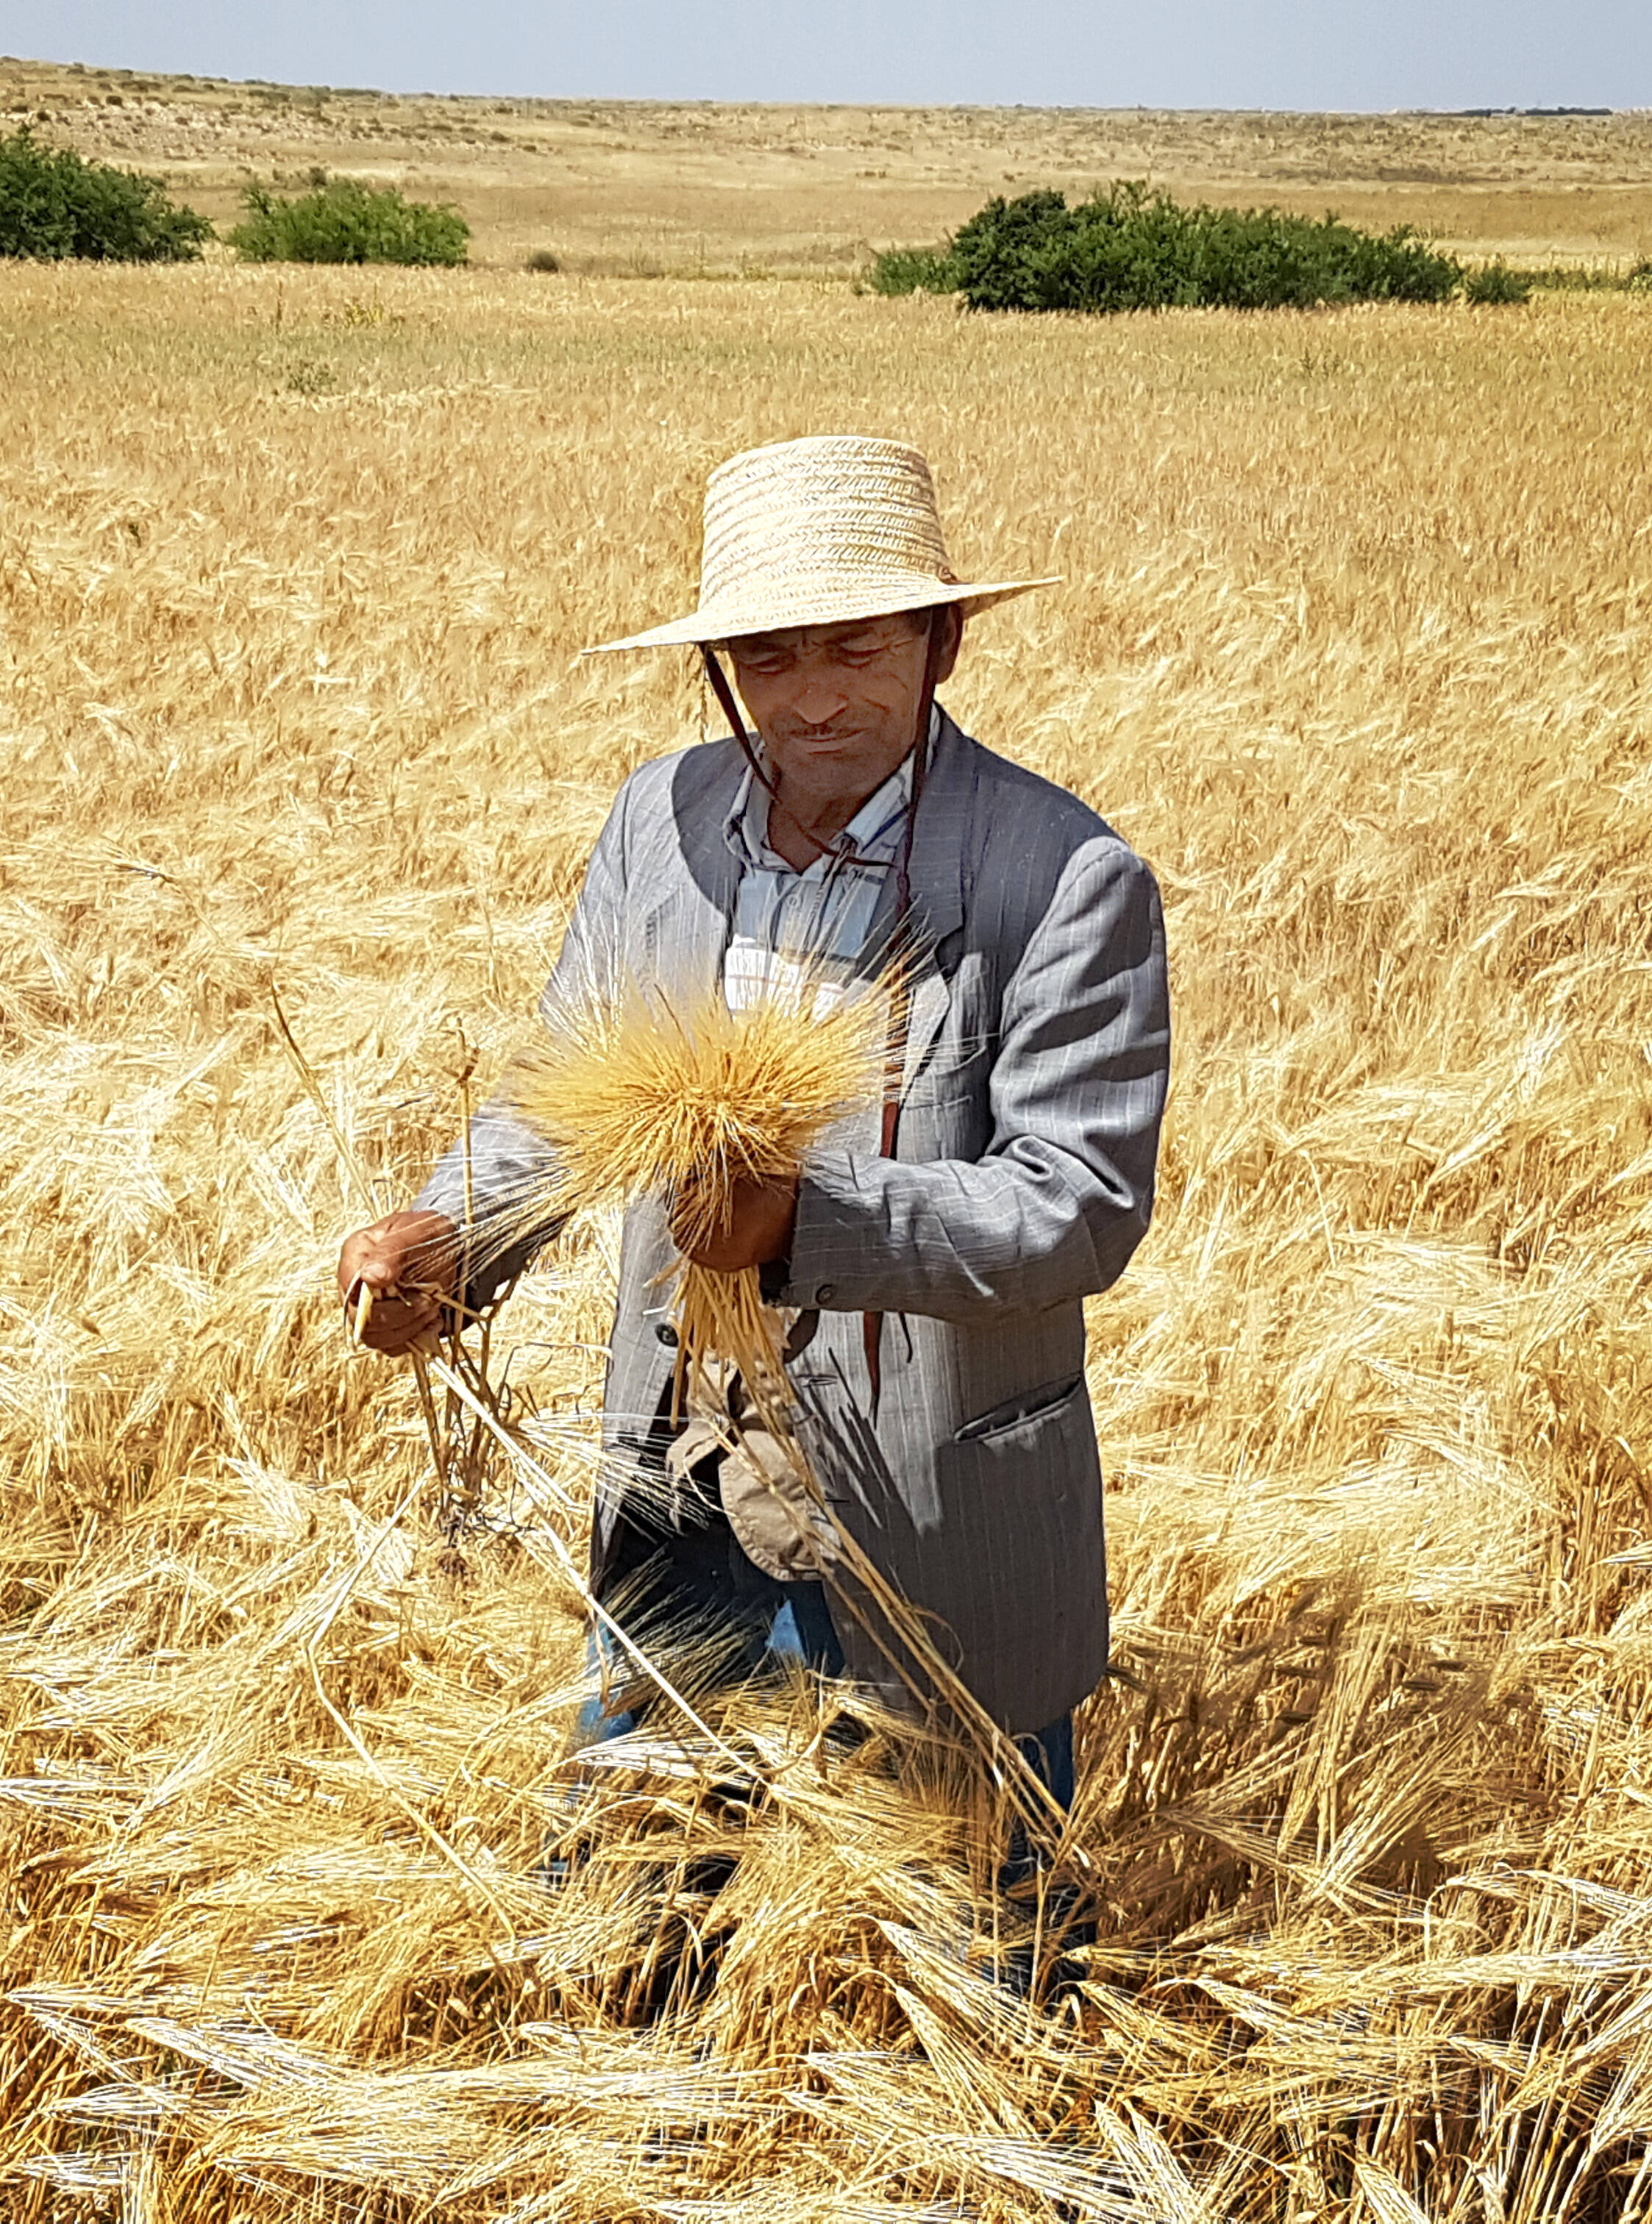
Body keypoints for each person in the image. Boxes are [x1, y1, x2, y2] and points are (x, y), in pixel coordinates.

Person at [337, 433, 1169, 1875]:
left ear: (944, 641)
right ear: (723, 669)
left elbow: (1077, 1211)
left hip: (932, 1506)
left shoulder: (1061, 878)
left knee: (977, 1919)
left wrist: (802, 1224)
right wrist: (449, 1243)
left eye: (860, 647)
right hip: (681, 1472)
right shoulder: (660, 828)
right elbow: (564, 1090)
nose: (819, 699)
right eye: (773, 659)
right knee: (648, 1885)